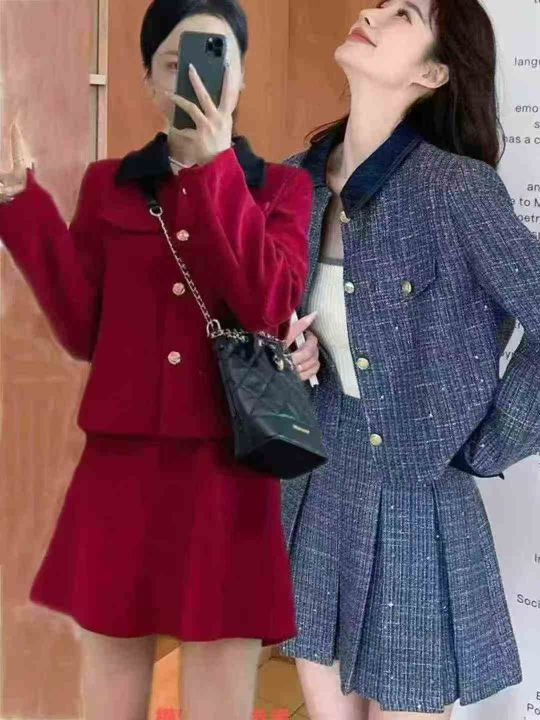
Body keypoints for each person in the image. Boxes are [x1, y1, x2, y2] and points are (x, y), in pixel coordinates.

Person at [0, 1, 320, 718]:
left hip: (230, 477)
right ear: (148, 80)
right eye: (175, 63)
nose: (195, 80)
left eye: (215, 60)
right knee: (107, 702)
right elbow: (82, 329)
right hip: (119, 475)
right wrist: (20, 204)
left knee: (219, 702)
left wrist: (215, 170)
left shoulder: (282, 189)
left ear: (240, 77)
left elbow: (268, 303)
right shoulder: (108, 184)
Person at [279, 0, 540, 718]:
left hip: (416, 503)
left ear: (433, 72)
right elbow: (269, 322)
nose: (372, 12)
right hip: (314, 490)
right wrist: (287, 354)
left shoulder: (456, 190)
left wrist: (487, 444)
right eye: (379, 3)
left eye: (404, 14)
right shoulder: (294, 182)